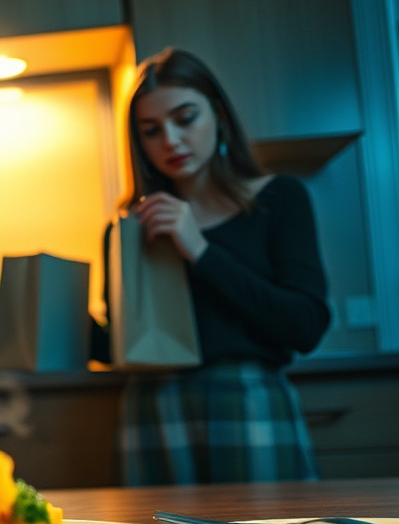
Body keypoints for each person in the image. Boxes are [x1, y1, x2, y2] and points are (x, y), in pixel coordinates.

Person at [94, 47, 331, 485]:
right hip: (153, 406)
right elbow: (122, 348)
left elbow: (306, 326)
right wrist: (58, 322)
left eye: (185, 119)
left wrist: (199, 250)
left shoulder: (280, 200)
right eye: (151, 130)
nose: (170, 141)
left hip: (248, 401)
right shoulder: (129, 228)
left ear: (219, 114)